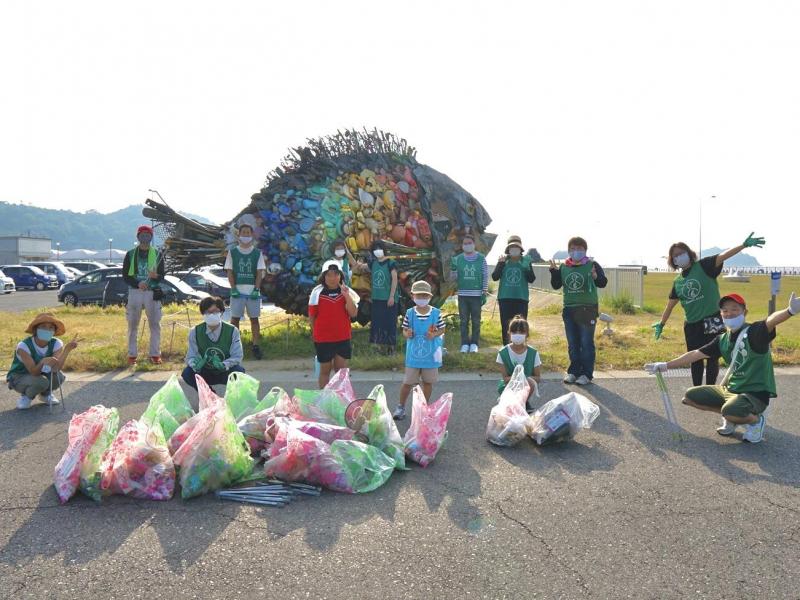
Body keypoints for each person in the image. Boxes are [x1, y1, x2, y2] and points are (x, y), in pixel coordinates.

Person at [645, 291, 799, 443]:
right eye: (725, 310)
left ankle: (755, 421)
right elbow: (696, 354)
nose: (729, 313)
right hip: (731, 390)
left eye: (734, 309)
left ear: (744, 312)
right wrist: (665, 365)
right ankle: (732, 418)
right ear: (721, 314)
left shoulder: (754, 332)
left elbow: (771, 321)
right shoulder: (722, 339)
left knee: (731, 410)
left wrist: (790, 311)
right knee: (690, 397)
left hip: (755, 394)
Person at [652, 233, 766, 387]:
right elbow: (670, 305)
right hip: (692, 325)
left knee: (712, 357)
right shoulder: (677, 282)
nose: (679, 257)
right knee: (695, 358)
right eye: (675, 256)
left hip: (712, 320)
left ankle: (710, 389)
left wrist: (743, 245)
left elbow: (723, 255)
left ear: (689, 253)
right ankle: (697, 390)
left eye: (681, 253)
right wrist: (661, 324)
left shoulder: (704, 266)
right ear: (673, 261)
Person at [549, 236, 608, 385]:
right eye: (573, 249)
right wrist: (553, 272)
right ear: (569, 251)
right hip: (569, 309)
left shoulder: (592, 264)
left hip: (587, 309)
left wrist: (595, 276)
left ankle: (586, 374)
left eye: (580, 249)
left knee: (586, 342)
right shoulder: (564, 267)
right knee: (573, 342)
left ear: (585, 251)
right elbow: (556, 285)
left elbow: (603, 282)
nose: (576, 252)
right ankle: (573, 371)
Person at [393, 280, 446, 420]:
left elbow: (442, 328)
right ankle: (401, 406)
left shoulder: (436, 313)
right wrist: (407, 333)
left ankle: (424, 407)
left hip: (431, 355)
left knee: (428, 382)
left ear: (430, 296)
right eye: (419, 296)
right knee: (407, 382)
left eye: (425, 296)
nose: (422, 298)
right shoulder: (410, 313)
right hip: (413, 356)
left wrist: (434, 334)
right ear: (412, 296)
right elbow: (404, 330)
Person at [5, 313, 80, 409]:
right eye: (43, 326)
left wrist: (67, 350)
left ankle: (45, 395)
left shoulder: (56, 343)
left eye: (51, 328)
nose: (47, 330)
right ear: (36, 329)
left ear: (54, 331)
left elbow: (56, 368)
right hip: (19, 376)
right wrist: (42, 362)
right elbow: (34, 372)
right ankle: (26, 397)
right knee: (41, 382)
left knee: (58, 377)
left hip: (40, 375)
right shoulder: (24, 346)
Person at [308, 260, 358, 388]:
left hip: (342, 337)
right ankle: (324, 400)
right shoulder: (317, 292)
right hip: (323, 338)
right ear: (323, 276)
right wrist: (314, 333)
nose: (332, 278)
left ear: (341, 275)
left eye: (336, 274)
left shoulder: (347, 291)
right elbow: (312, 316)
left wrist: (346, 296)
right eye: (328, 275)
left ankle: (341, 399)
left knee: (341, 372)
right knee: (325, 371)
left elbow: (353, 313)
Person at [182, 296, 245, 392]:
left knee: (239, 372)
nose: (211, 315)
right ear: (203, 314)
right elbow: (191, 355)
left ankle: (232, 397)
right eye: (208, 312)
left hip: (225, 371)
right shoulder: (195, 331)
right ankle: (209, 394)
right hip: (205, 371)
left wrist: (224, 364)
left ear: (221, 312)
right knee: (187, 373)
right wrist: (195, 364)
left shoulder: (232, 330)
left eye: (215, 311)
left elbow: (237, 356)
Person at [122, 225, 165, 365]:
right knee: (132, 324)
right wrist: (137, 283)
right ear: (138, 236)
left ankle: (155, 354)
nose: (145, 237)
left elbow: (161, 276)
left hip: (151, 292)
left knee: (155, 324)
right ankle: (132, 355)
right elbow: (125, 276)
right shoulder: (130, 254)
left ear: (151, 237)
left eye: (148, 234)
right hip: (135, 292)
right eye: (142, 234)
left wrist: (155, 276)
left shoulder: (158, 254)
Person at [225, 223, 267, 360]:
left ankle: (255, 346)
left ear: (252, 235)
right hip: (237, 291)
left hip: (252, 292)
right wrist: (233, 288)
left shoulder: (257, 253)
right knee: (235, 319)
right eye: (243, 232)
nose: (246, 235)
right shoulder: (233, 252)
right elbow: (230, 272)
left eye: (248, 233)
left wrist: (256, 289)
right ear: (239, 234)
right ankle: (234, 346)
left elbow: (259, 272)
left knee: (254, 319)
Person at [492, 235, 536, 345]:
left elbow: (532, 279)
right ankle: (507, 348)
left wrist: (527, 268)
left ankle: (520, 347)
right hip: (505, 298)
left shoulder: (526, 261)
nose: (514, 249)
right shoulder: (503, 260)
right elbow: (494, 277)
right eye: (512, 247)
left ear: (521, 249)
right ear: (508, 249)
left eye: (517, 247)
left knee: (520, 325)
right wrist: (500, 264)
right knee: (506, 325)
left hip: (521, 298)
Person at [450, 233, 489, 353]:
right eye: (465, 243)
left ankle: (474, 344)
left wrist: (484, 291)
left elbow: (485, 275)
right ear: (462, 245)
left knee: (476, 320)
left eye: (469, 243)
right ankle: (465, 343)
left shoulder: (481, 258)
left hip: (476, 295)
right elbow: (453, 279)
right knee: (463, 320)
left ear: (474, 244)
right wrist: (453, 268)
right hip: (463, 295)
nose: (467, 245)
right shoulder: (458, 259)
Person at [496, 315, 541, 413]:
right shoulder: (502, 353)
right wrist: (518, 379)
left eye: (521, 332)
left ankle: (523, 402)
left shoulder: (533, 353)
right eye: (514, 332)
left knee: (530, 382)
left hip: (526, 386)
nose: (518, 334)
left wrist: (524, 379)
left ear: (527, 334)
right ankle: (508, 400)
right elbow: (505, 379)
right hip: (508, 386)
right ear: (509, 333)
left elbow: (537, 378)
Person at [367, 240, 399, 354]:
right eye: (375, 249)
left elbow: (395, 279)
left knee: (390, 323)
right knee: (377, 323)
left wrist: (391, 296)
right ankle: (378, 347)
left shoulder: (391, 262)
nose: (377, 251)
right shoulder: (373, 263)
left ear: (384, 249)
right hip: (377, 298)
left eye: (379, 248)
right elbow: (358, 266)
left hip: (388, 299)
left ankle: (391, 348)